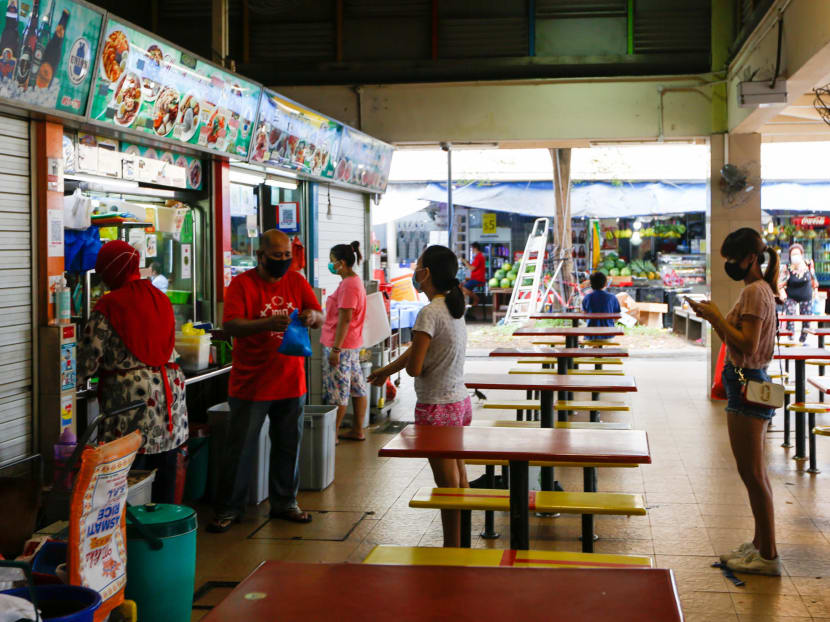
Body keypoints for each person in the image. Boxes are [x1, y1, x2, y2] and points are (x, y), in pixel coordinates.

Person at [208, 230, 324, 533]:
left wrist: (312, 317)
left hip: (291, 382)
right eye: (277, 256)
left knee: (288, 446)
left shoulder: (297, 281)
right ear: (260, 256)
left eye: (288, 256)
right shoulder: (242, 284)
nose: (284, 262)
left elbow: (321, 315)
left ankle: (285, 502)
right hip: (251, 384)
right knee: (240, 449)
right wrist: (267, 323)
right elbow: (230, 325)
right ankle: (229, 508)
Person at [689, 227, 780, 576]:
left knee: (753, 473)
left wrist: (715, 317)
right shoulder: (758, 290)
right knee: (753, 472)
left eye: (733, 259)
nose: (729, 265)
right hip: (746, 383)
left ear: (751, 259)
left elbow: (747, 345)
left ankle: (769, 554)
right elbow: (740, 339)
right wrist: (713, 317)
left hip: (747, 384)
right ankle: (759, 544)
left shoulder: (756, 292)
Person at [368, 245, 470, 547]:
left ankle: (453, 550)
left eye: (418, 265)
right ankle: (460, 544)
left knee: (448, 486)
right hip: (458, 404)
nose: (415, 270)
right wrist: (387, 369)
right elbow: (418, 350)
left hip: (436, 409)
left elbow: (414, 366)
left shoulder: (427, 313)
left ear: (425, 273)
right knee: (460, 480)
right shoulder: (453, 306)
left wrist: (404, 367)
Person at [77, 240, 188, 503]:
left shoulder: (109, 304)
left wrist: (71, 381)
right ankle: (165, 532)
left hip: (134, 404)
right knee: (165, 472)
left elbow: (88, 359)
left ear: (111, 271)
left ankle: (132, 535)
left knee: (129, 477)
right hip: (171, 398)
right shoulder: (160, 297)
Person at [321, 241, 369, 442]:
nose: (330, 265)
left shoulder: (349, 284)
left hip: (341, 345)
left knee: (337, 390)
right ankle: (357, 430)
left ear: (341, 262)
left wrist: (336, 349)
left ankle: (333, 435)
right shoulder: (353, 281)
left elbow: (345, 318)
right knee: (357, 387)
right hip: (352, 344)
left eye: (332, 261)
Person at [779, 243, 817, 343]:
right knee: (790, 316)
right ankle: (790, 338)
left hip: (806, 295)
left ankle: (803, 339)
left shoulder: (808, 264)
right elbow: (780, 283)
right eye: (793, 254)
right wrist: (782, 293)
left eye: (797, 254)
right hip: (791, 295)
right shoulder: (787, 267)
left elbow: (814, 279)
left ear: (801, 254)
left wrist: (815, 292)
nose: (795, 256)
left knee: (806, 319)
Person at [582, 271, 621, 338]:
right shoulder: (612, 297)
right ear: (605, 283)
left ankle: (595, 346)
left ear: (591, 284)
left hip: (591, 335)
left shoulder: (587, 297)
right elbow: (617, 316)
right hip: (608, 334)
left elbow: (584, 317)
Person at [460, 242, 486, 308]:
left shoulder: (479, 257)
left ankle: (476, 299)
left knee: (463, 288)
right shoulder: (479, 256)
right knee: (462, 287)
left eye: (472, 249)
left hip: (478, 279)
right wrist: (468, 263)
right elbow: (473, 267)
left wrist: (465, 262)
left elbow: (472, 268)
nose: (472, 250)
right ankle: (463, 306)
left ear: (475, 248)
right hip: (476, 279)